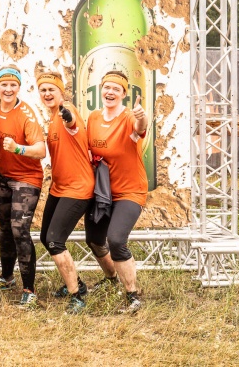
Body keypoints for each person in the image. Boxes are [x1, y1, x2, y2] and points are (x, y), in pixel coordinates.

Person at [85, 70, 150, 314]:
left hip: (130, 191)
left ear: (124, 94)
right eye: (107, 87)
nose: (110, 92)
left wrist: (142, 117)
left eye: (116, 89)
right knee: (94, 239)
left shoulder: (129, 118)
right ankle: (111, 278)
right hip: (103, 192)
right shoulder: (93, 118)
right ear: (101, 90)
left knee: (116, 240)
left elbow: (140, 127)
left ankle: (133, 295)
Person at [0, 65, 47, 309]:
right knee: (5, 228)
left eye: (13, 84)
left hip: (27, 178)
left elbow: (41, 150)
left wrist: (18, 148)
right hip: (2, 176)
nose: (8, 89)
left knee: (19, 228)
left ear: (19, 87)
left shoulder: (26, 114)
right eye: (4, 84)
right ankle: (7, 277)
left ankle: (29, 290)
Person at [35, 72, 95, 314]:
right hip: (59, 187)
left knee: (54, 240)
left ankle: (76, 296)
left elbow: (71, 123)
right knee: (45, 237)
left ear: (61, 92)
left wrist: (67, 116)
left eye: (52, 89)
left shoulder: (66, 111)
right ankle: (77, 283)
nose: (47, 93)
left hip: (78, 188)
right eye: (43, 90)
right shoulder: (51, 118)